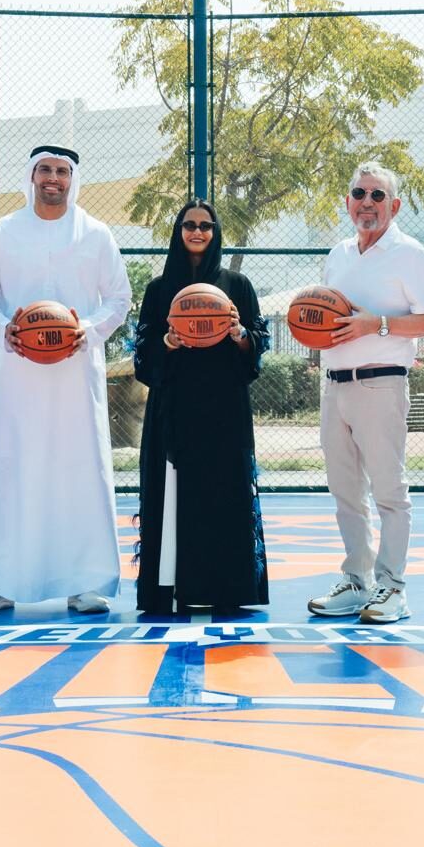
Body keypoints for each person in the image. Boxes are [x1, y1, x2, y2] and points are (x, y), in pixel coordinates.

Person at [0, 145, 131, 614]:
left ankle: (85, 581)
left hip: (76, 375)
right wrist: (5, 330)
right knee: (8, 470)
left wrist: (89, 330)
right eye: (44, 170)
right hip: (17, 375)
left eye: (61, 171)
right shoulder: (3, 231)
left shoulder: (96, 234)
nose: (53, 178)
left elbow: (118, 299)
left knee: (80, 473)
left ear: (72, 178)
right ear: (31, 176)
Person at [307, 162, 424, 624]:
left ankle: (393, 588)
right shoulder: (339, 253)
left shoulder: (410, 254)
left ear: (395, 204)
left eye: (377, 196)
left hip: (381, 381)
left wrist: (377, 324)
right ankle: (357, 581)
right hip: (335, 385)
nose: (367, 202)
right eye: (359, 193)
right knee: (345, 491)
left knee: (388, 490)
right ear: (348, 202)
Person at [133, 200, 270, 614]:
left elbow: (258, 344)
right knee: (172, 493)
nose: (197, 232)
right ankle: (171, 588)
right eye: (189, 225)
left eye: (206, 226)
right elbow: (142, 353)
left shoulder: (237, 285)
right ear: (178, 231)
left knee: (223, 493)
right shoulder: (159, 289)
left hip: (224, 404)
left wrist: (240, 334)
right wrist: (166, 343)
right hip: (173, 405)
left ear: (216, 232)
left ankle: (226, 587)